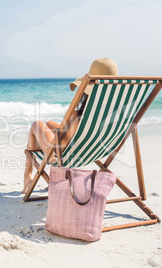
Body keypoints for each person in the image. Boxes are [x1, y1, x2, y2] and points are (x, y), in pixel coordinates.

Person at [23, 58, 118, 194]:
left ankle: (28, 175)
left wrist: (63, 128)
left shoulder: (77, 116)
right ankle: (28, 176)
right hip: (95, 149)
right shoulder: (115, 112)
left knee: (37, 125)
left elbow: (62, 145)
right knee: (49, 124)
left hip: (65, 155)